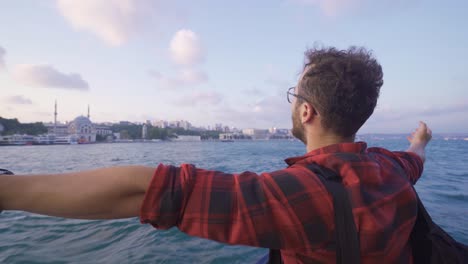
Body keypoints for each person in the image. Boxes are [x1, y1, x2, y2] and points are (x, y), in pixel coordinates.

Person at [0, 46, 432, 263]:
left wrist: (5, 190)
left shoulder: (298, 196)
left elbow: (147, 192)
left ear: (306, 110)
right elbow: (416, 158)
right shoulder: (391, 167)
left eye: (292, 95)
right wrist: (420, 140)